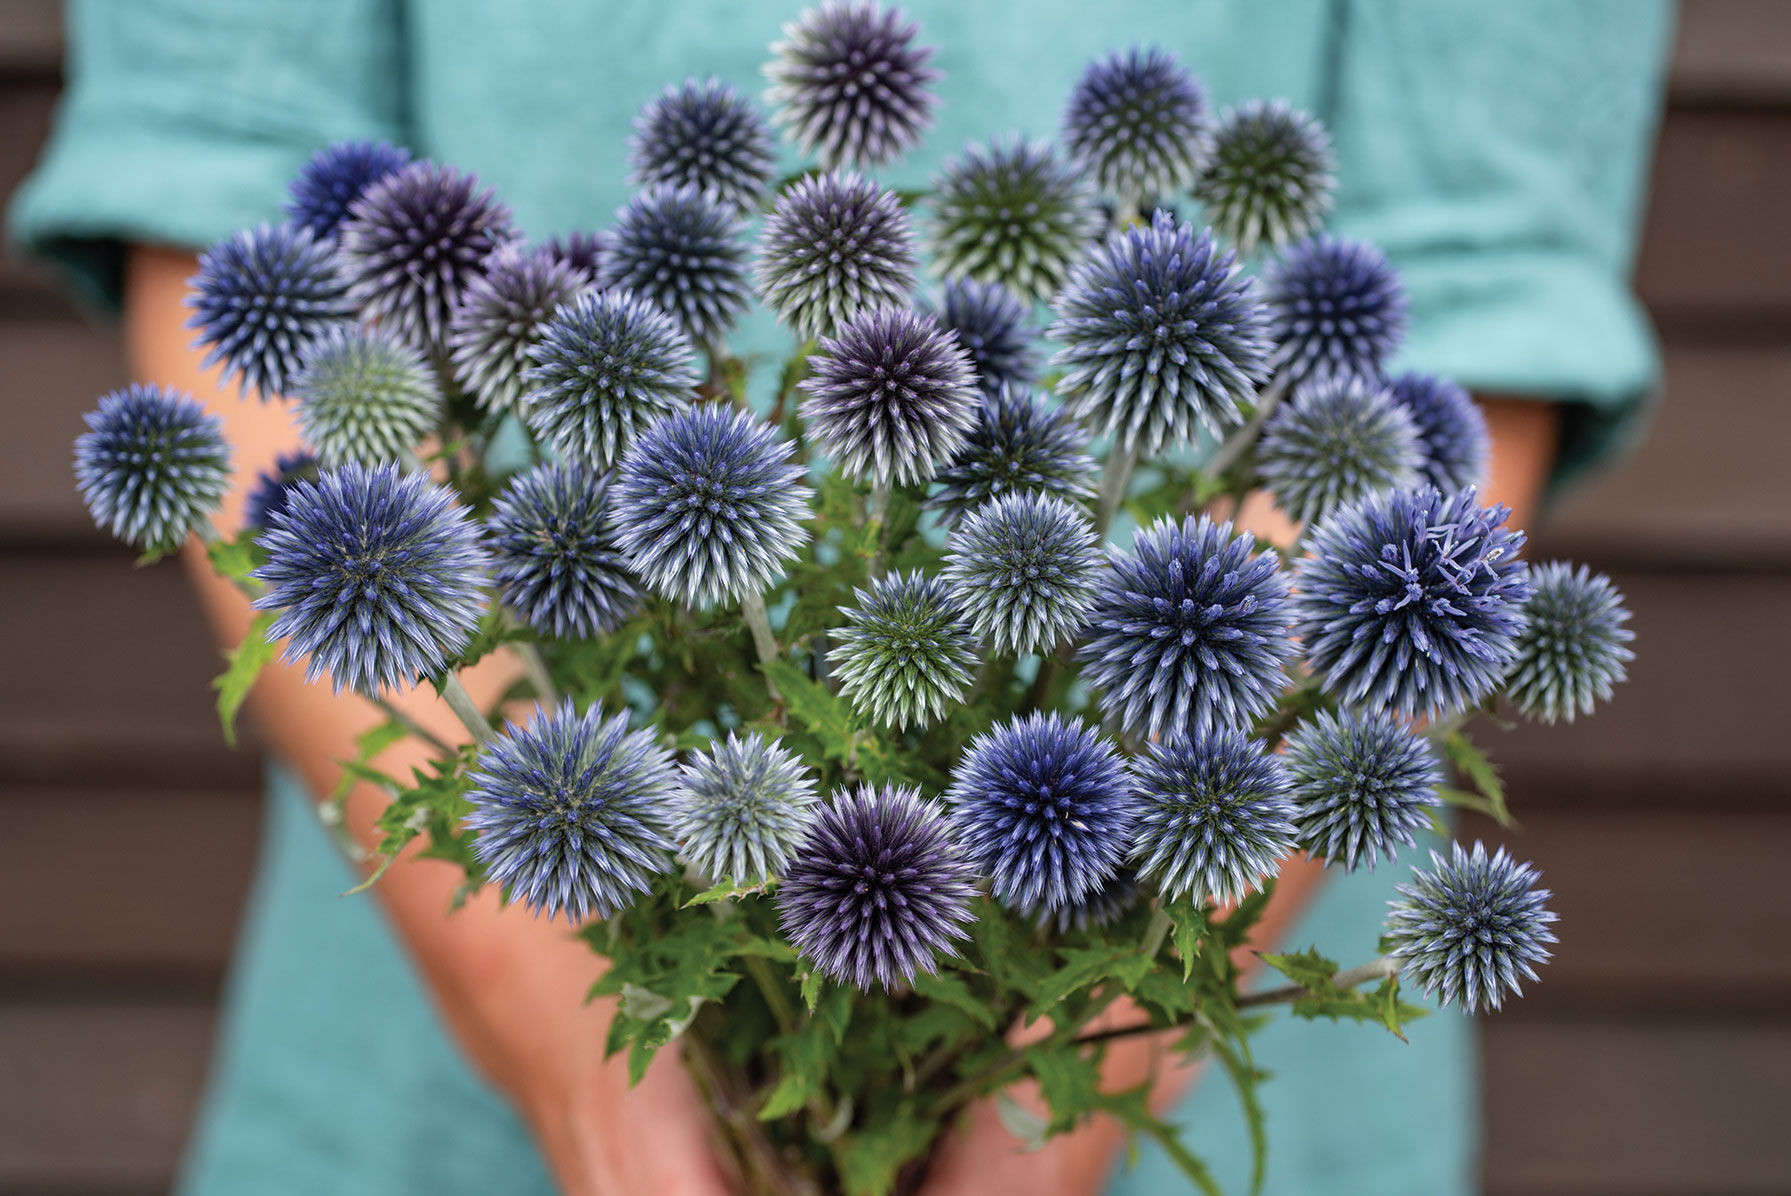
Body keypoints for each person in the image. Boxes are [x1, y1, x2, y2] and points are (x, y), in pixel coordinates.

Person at [9, 2, 1671, 1193]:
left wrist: (1081, 1066)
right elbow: (237, 201)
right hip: (443, 1043)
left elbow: (1473, 301)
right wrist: (588, 1068)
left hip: (1205, 943)